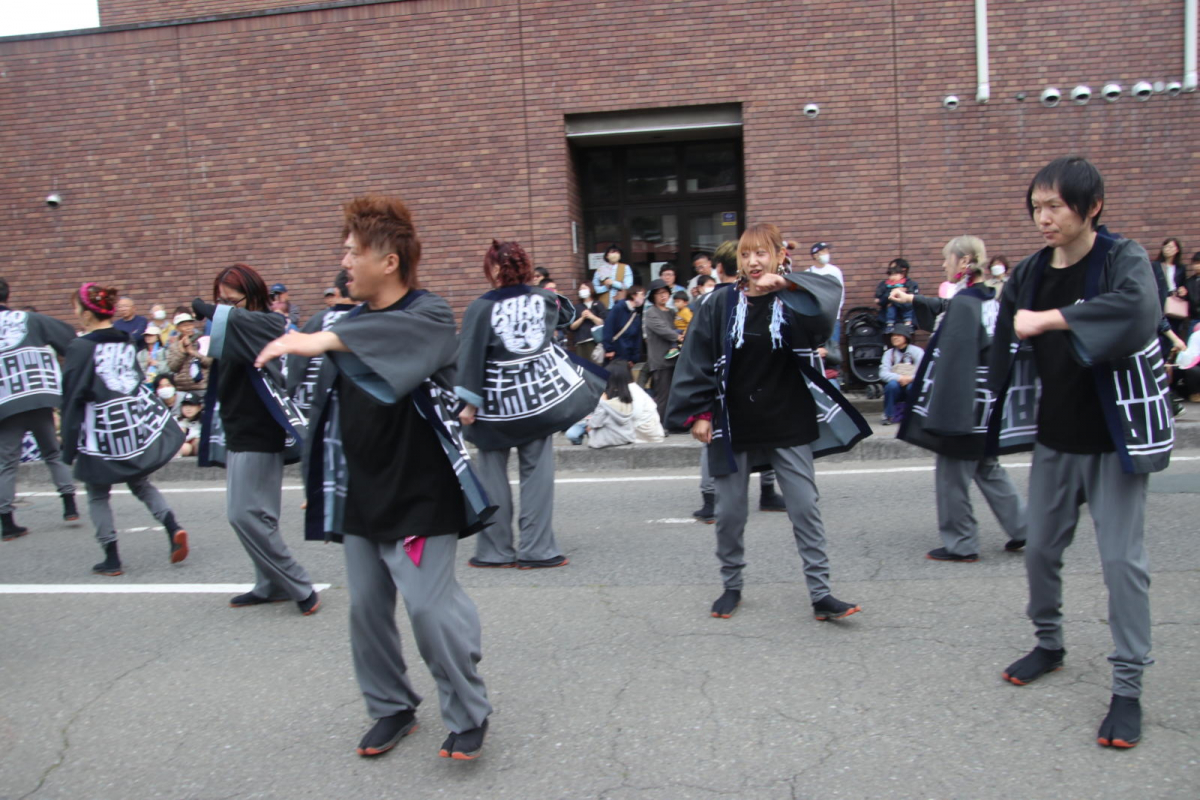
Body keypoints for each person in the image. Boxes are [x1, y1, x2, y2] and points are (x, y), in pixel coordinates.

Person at [254, 194, 494, 761]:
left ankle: (468, 710)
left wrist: (323, 339)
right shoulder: (341, 321)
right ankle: (391, 706)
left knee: (429, 609)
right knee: (365, 607)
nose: (344, 264)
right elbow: (286, 344)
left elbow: (399, 343)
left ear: (388, 260)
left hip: (420, 489)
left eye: (352, 252)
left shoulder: (429, 313)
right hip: (358, 488)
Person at [988, 156, 1173, 749]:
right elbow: (1003, 332)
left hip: (1114, 440)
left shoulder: (1124, 259)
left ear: (1091, 206)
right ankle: (1049, 642)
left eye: (1055, 206)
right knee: (1039, 549)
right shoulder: (1031, 270)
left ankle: (1127, 688)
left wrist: (1048, 320)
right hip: (1056, 438)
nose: (1043, 219)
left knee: (1122, 564)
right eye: (1036, 207)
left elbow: (1138, 314)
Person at [667, 223, 871, 622]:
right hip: (733, 419)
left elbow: (826, 310)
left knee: (805, 506)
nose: (753, 261)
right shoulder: (719, 303)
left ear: (778, 255)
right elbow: (697, 357)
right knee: (729, 512)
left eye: (762, 253)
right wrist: (700, 413)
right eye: (746, 254)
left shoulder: (795, 299)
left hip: (787, 417)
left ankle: (821, 593)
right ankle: (731, 584)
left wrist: (789, 285)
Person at [455, 240, 603, 570]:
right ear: (525, 267)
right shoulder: (545, 298)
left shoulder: (481, 307)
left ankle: (496, 551)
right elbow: (567, 312)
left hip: (494, 404)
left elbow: (470, 354)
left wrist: (467, 403)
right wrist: (537, 288)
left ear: (494, 269)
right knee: (537, 475)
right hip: (538, 400)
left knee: (492, 475)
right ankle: (537, 550)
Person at [192, 264, 320, 616]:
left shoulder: (268, 322)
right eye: (222, 301)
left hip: (260, 429)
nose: (227, 308)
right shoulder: (235, 324)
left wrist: (212, 310)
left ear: (254, 295)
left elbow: (262, 326)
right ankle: (270, 584)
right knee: (258, 515)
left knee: (243, 515)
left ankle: (298, 583)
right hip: (237, 428)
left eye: (233, 301)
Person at [890, 235, 1027, 562]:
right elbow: (951, 308)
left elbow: (954, 361)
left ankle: (962, 542)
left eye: (946, 259)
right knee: (987, 467)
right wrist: (913, 300)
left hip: (965, 401)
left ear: (964, 262)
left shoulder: (966, 303)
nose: (943, 264)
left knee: (951, 473)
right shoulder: (989, 298)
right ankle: (1026, 528)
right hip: (989, 400)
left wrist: (945, 416)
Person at [61, 283, 189, 576]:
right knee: (141, 483)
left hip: (101, 428)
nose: (76, 313)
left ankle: (112, 557)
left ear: (88, 314)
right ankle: (173, 528)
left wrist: (68, 446)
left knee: (97, 493)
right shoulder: (125, 340)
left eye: (77, 308)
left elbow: (73, 396)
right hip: (130, 425)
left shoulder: (81, 347)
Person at [0, 277, 79, 538]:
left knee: (7, 463)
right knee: (52, 453)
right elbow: (67, 336)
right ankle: (69, 505)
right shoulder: (29, 319)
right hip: (37, 394)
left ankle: (7, 522)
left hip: (6, 402)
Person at [288, 269, 357, 418]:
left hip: (310, 404)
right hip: (350, 407)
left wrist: (289, 393)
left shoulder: (320, 319)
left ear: (337, 292)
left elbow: (296, 362)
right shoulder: (368, 321)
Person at [643, 279, 681, 423]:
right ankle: (659, 425)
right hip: (660, 360)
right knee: (663, 395)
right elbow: (663, 330)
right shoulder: (650, 313)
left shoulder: (671, 312)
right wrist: (679, 336)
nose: (663, 296)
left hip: (675, 358)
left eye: (665, 292)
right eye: (659, 293)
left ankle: (672, 422)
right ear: (653, 296)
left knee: (674, 393)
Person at [584, 360, 638, 449]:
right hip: (627, 437)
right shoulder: (628, 399)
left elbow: (595, 423)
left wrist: (589, 426)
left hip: (606, 440)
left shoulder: (605, 402)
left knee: (588, 429)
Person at [878, 324, 924, 425]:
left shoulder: (917, 352)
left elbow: (922, 372)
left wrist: (909, 379)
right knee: (891, 385)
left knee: (912, 387)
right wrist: (900, 378)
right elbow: (883, 373)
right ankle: (889, 415)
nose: (894, 337)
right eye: (893, 335)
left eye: (898, 335)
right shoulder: (889, 353)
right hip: (897, 384)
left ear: (906, 337)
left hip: (912, 382)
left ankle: (913, 416)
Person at [807, 242, 845, 344]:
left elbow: (840, 292)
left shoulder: (834, 271)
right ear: (815, 255)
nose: (827, 254)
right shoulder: (808, 273)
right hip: (816, 317)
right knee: (817, 346)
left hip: (832, 317)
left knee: (833, 347)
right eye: (824, 251)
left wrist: (837, 310)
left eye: (827, 251)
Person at [165, 312, 211, 394]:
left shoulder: (203, 340)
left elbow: (209, 362)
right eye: (184, 325)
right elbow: (173, 368)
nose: (188, 328)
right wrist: (182, 352)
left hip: (201, 387)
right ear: (177, 328)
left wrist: (192, 352)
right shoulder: (173, 346)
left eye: (190, 324)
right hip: (182, 389)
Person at [602, 284, 645, 364]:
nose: (643, 297)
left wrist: (634, 358)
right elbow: (608, 328)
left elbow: (637, 339)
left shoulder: (636, 316)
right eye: (642, 294)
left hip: (627, 359)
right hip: (614, 356)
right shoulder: (618, 308)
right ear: (633, 295)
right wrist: (609, 349)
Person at [568, 281, 606, 364]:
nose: (582, 290)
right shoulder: (577, 307)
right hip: (580, 342)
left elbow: (603, 322)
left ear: (590, 289)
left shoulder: (598, 304)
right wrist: (582, 318)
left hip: (595, 342)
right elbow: (572, 326)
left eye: (584, 288)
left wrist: (592, 316)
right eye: (581, 289)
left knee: (597, 366)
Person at [176, 392, 203, 457]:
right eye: (185, 405)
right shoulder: (176, 420)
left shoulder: (204, 421)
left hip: (197, 446)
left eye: (192, 405)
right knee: (186, 447)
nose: (188, 409)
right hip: (181, 446)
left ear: (199, 407)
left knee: (198, 442)